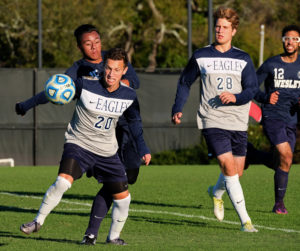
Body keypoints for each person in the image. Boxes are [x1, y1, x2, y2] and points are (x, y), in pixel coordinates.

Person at [16, 24, 144, 245]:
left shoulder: (114, 59)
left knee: (124, 183)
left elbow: (135, 85)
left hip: (119, 132)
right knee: (65, 181)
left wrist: (119, 83)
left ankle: (104, 234)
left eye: (97, 41)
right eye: (88, 43)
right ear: (79, 46)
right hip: (86, 136)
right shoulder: (78, 71)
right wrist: (27, 104)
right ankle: (81, 230)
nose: (94, 47)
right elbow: (57, 91)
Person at [171, 7, 258, 232]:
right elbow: (184, 82)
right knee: (228, 166)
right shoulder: (201, 55)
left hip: (238, 120)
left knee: (236, 172)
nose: (220, 30)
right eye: (217, 26)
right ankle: (246, 222)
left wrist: (236, 97)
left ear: (234, 31)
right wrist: (178, 107)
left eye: (225, 27)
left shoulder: (243, 58)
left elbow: (252, 89)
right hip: (212, 118)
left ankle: (216, 192)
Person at [247, 24, 300, 214]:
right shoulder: (272, 64)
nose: (290, 42)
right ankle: (279, 204)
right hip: (272, 116)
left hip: (292, 119)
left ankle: (253, 155)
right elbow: (251, 86)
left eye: (295, 39)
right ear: (282, 41)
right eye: (287, 38)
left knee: (283, 161)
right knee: (286, 156)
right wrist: (265, 98)